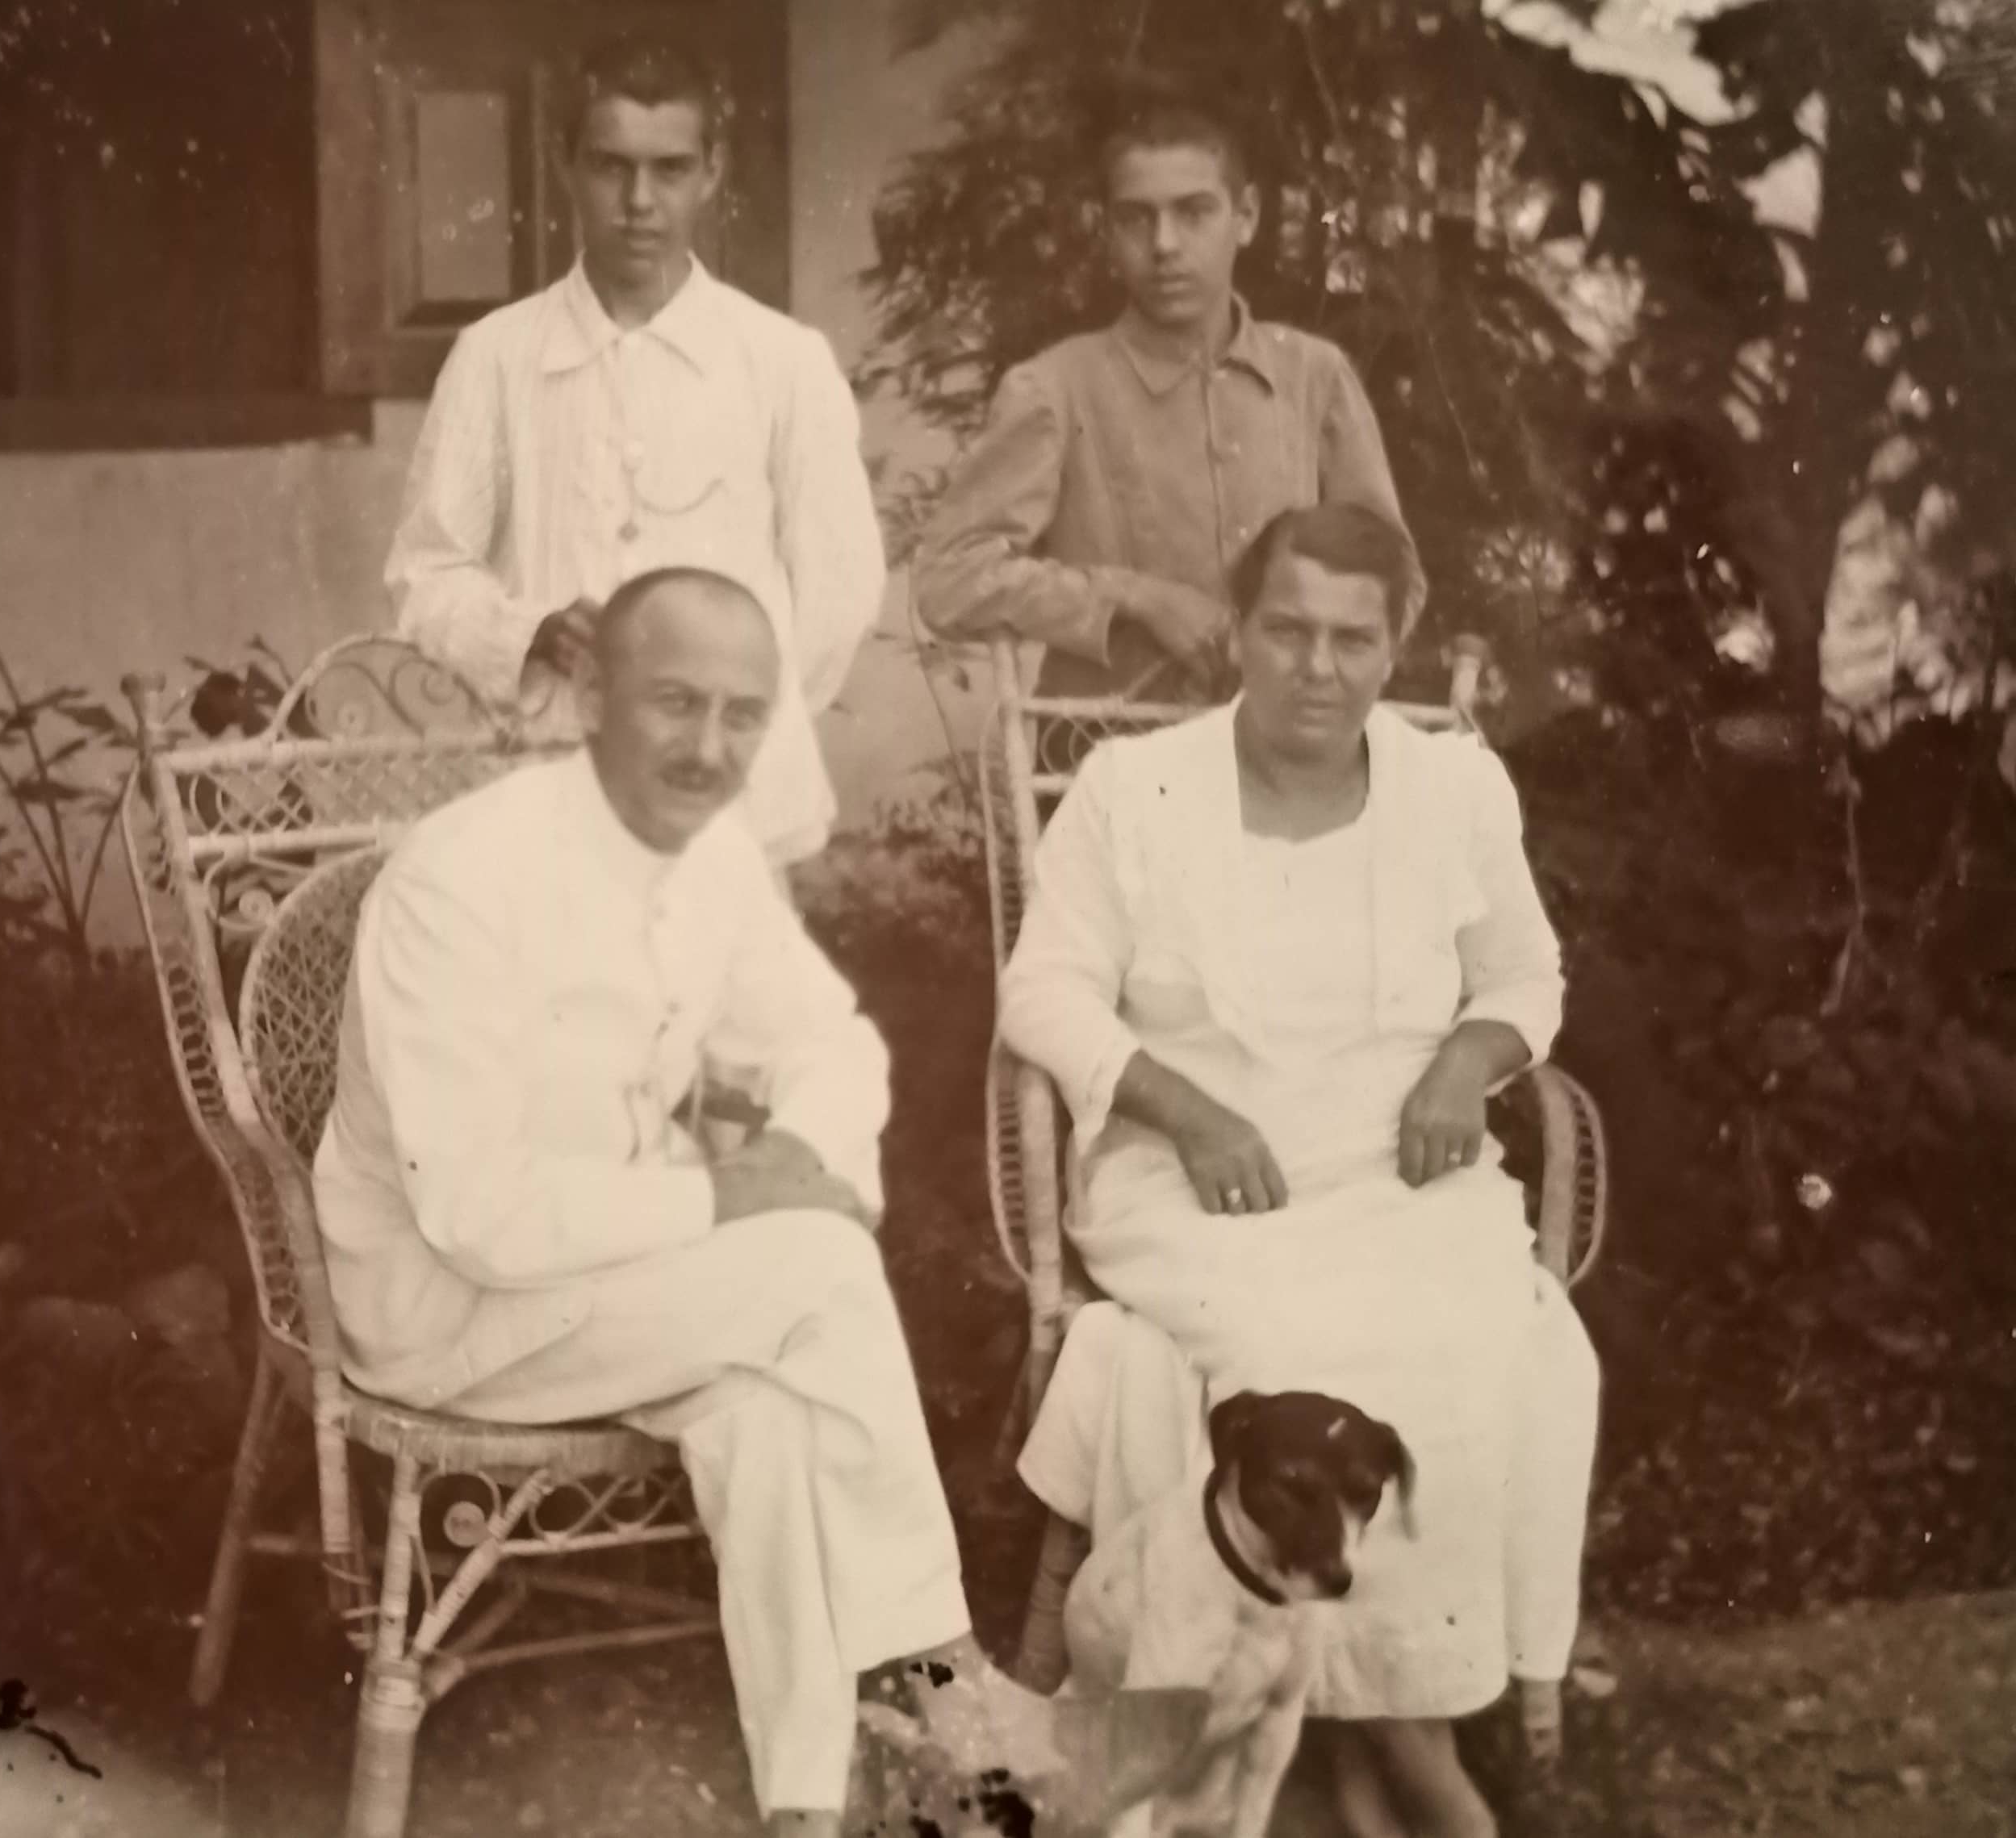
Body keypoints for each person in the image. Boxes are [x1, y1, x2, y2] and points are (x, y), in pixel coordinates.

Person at [313, 566, 1056, 1836]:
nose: (709, 748)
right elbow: (475, 1212)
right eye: (674, 703)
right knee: (814, 1276)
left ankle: (803, 1810)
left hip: (614, 1287)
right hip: (448, 1308)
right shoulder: (461, 881)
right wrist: (740, 1201)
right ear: (594, 692)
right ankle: (945, 1677)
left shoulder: (710, 860)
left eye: (741, 714)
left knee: (775, 1408)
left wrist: (799, 1169)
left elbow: (836, 1050)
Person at [999, 504, 1599, 1838]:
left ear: (1396, 649)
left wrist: (1462, 1067)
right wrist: (1181, 1106)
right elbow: (1042, 995)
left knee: (1484, 1329)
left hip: (1402, 1177)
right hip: (1202, 1184)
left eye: (1353, 638)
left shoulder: (1456, 786)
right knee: (1294, 1347)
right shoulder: (1134, 789)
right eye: (1288, 630)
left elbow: (1524, 975)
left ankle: (1370, 1739)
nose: (1317, 667)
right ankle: (1412, 1753)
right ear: (1240, 630)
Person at [384, 33, 885, 867]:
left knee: (728, 997)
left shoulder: (781, 361)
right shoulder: (496, 356)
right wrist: (524, 634)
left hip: (735, 812)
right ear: (565, 165)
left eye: (671, 169)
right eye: (612, 166)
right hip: (551, 788)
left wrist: (732, 734)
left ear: (713, 172)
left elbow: (840, 588)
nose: (640, 201)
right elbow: (424, 574)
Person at [914, 70, 1423, 711]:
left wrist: (1304, 658)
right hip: (1108, 756)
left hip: (1283, 755)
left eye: (1194, 212)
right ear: (1107, 233)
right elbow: (948, 580)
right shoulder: (1055, 390)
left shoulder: (1314, 377)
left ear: (1246, 217)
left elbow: (1397, 579)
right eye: (1136, 218)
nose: (1164, 245)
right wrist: (1135, 596)